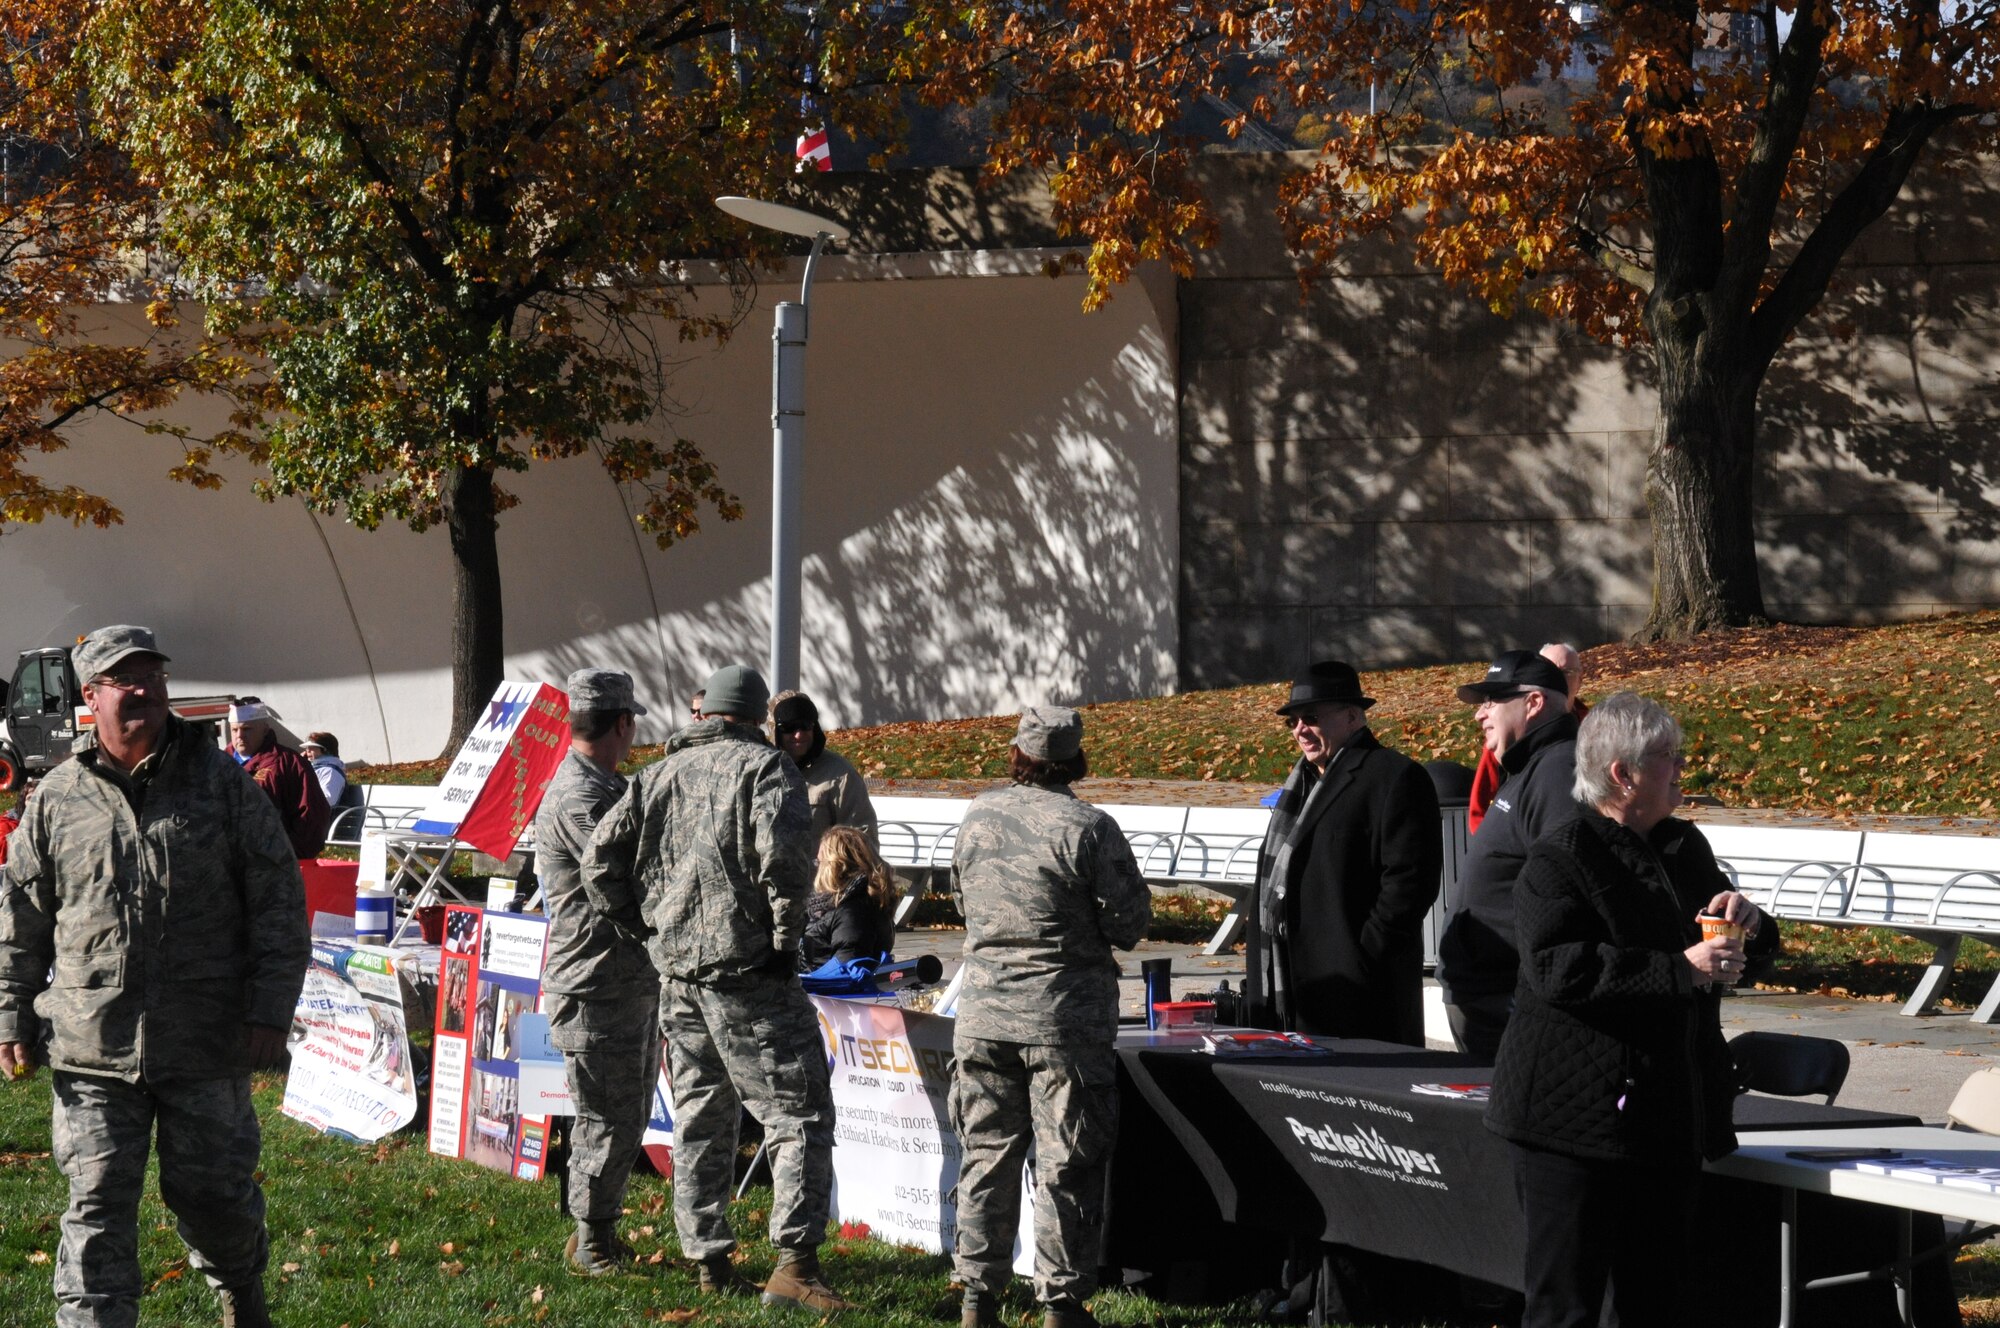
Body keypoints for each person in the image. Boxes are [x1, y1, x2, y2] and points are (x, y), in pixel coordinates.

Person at [0, 625, 308, 1328]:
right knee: (98, 1204)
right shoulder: (56, 799)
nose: (142, 689)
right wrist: (9, 1012)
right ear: (90, 697)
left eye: (152, 675)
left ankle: (240, 1290)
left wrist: (269, 1009)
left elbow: (278, 900)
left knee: (214, 1198)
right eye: (122, 678)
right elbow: (18, 916)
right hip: (92, 1047)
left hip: (205, 1040)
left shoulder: (224, 787)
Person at [1486, 692, 1764, 1328]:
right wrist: (1677, 969)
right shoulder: (1561, 858)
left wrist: (1750, 924)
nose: (1681, 768)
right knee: (1568, 1305)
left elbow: (1717, 942)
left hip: (1663, 1117)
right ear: (1622, 773)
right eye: (1668, 757)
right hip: (1571, 1123)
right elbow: (1557, 967)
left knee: (1656, 1298)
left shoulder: (1680, 848)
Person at [583, 663, 850, 1311]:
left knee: (702, 1116)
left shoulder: (653, 776)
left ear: (706, 716)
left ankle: (708, 1257)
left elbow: (599, 864)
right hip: (749, 975)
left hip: (678, 975)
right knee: (799, 1112)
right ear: (756, 717)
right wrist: (785, 947)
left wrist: (644, 931)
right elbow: (784, 863)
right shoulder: (766, 771)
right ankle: (795, 1265)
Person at [950, 706, 1150, 1328]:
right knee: (1068, 1161)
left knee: (985, 1154)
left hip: (982, 1015)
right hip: (1063, 1022)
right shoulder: (1090, 827)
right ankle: (1061, 1304)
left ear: (1017, 753)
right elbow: (1130, 924)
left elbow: (961, 898)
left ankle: (977, 1297)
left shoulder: (978, 814)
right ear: (1075, 760)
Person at [1243, 661, 1441, 1043]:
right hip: (1295, 988)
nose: (1300, 729)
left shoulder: (1394, 776)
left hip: (1359, 997)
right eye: (1293, 721)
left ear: (1352, 716)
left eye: (1311, 717)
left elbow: (1410, 884)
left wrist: (1360, 956)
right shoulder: (1299, 785)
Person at [535, 668, 658, 1275]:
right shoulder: (580, 798)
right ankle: (591, 1243)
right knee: (605, 1119)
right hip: (593, 985)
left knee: (626, 1113)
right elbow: (624, 875)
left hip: (621, 981)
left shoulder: (607, 788)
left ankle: (597, 1228)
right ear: (622, 724)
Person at [1438, 649, 1580, 1059]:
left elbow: (1562, 890)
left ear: (1534, 703)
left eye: (1492, 701)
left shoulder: (1558, 770)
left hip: (1509, 999)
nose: (1480, 715)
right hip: (1487, 992)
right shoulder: (1528, 765)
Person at [1469, 643, 1584, 832]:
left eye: (1566, 671)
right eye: (1550, 669)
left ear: (1580, 679)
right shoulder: (1504, 742)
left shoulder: (1594, 731)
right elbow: (1479, 810)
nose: (1479, 715)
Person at [771, 691, 878, 854]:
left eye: (805, 725)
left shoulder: (841, 775)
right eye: (788, 728)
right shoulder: (761, 771)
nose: (798, 735)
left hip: (819, 878)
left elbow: (863, 841)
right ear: (774, 731)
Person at [229, 698, 330, 860]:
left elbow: (311, 817)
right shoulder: (218, 763)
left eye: (246, 729)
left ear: (264, 729)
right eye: (234, 730)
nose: (240, 736)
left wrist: (286, 855)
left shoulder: (289, 763)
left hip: (272, 865)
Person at [798, 825, 898, 972]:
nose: (816, 868)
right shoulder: (850, 902)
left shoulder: (852, 912)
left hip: (823, 992)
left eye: (819, 862)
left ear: (835, 866)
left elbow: (845, 973)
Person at [299, 731, 347, 807]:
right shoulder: (312, 768)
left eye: (312, 747)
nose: (307, 750)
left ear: (325, 750)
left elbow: (327, 800)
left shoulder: (330, 771)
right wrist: (299, 764)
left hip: (315, 815)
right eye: (307, 748)